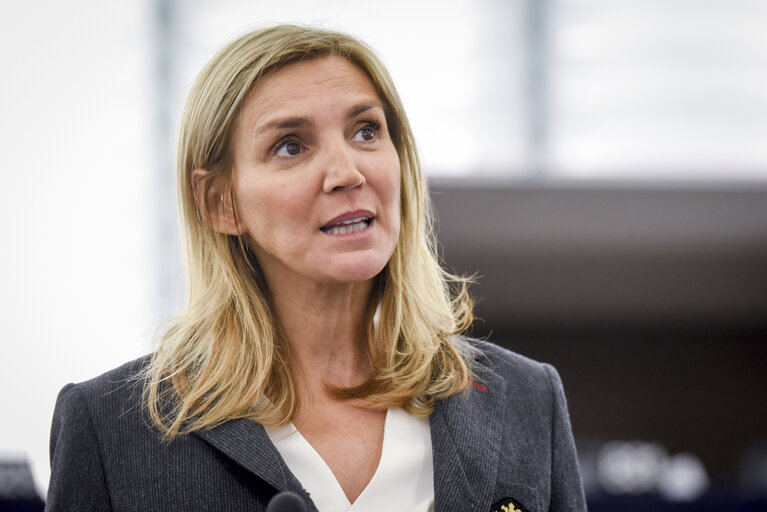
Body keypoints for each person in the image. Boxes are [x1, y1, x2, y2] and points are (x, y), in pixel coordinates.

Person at [45, 25, 586, 512]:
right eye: (290, 146)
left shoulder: (527, 398)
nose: (347, 172)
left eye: (367, 131)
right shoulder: (109, 427)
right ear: (219, 204)